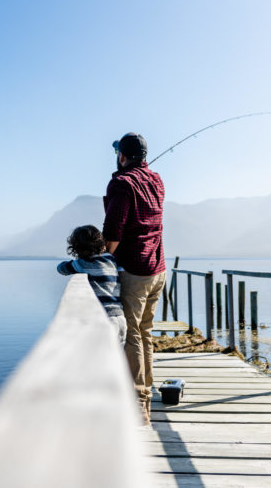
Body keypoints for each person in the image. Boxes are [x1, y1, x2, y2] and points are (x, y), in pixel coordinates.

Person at [103, 132, 165, 425]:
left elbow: (114, 230)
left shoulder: (121, 183)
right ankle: (145, 398)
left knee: (133, 337)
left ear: (122, 155)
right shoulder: (157, 180)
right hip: (158, 269)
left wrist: (101, 257)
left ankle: (138, 406)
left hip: (135, 271)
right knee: (146, 333)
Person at [57, 225, 126, 345]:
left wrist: (75, 262)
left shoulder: (85, 263)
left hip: (105, 318)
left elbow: (62, 269)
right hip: (120, 316)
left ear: (76, 248)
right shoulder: (111, 259)